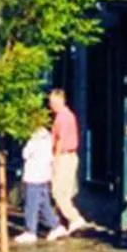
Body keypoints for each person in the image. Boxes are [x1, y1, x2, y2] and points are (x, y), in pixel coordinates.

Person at [47, 88, 87, 235]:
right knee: (65, 191)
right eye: (50, 102)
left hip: (64, 157)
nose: (51, 105)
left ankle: (75, 218)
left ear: (61, 101)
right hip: (69, 156)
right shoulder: (66, 115)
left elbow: (60, 140)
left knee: (58, 192)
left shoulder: (63, 117)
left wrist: (55, 160)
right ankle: (61, 224)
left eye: (53, 102)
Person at [17, 118, 62, 244]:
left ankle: (30, 231)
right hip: (44, 174)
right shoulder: (48, 137)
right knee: (43, 203)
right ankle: (55, 226)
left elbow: (25, 153)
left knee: (31, 204)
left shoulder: (35, 138)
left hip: (34, 175)